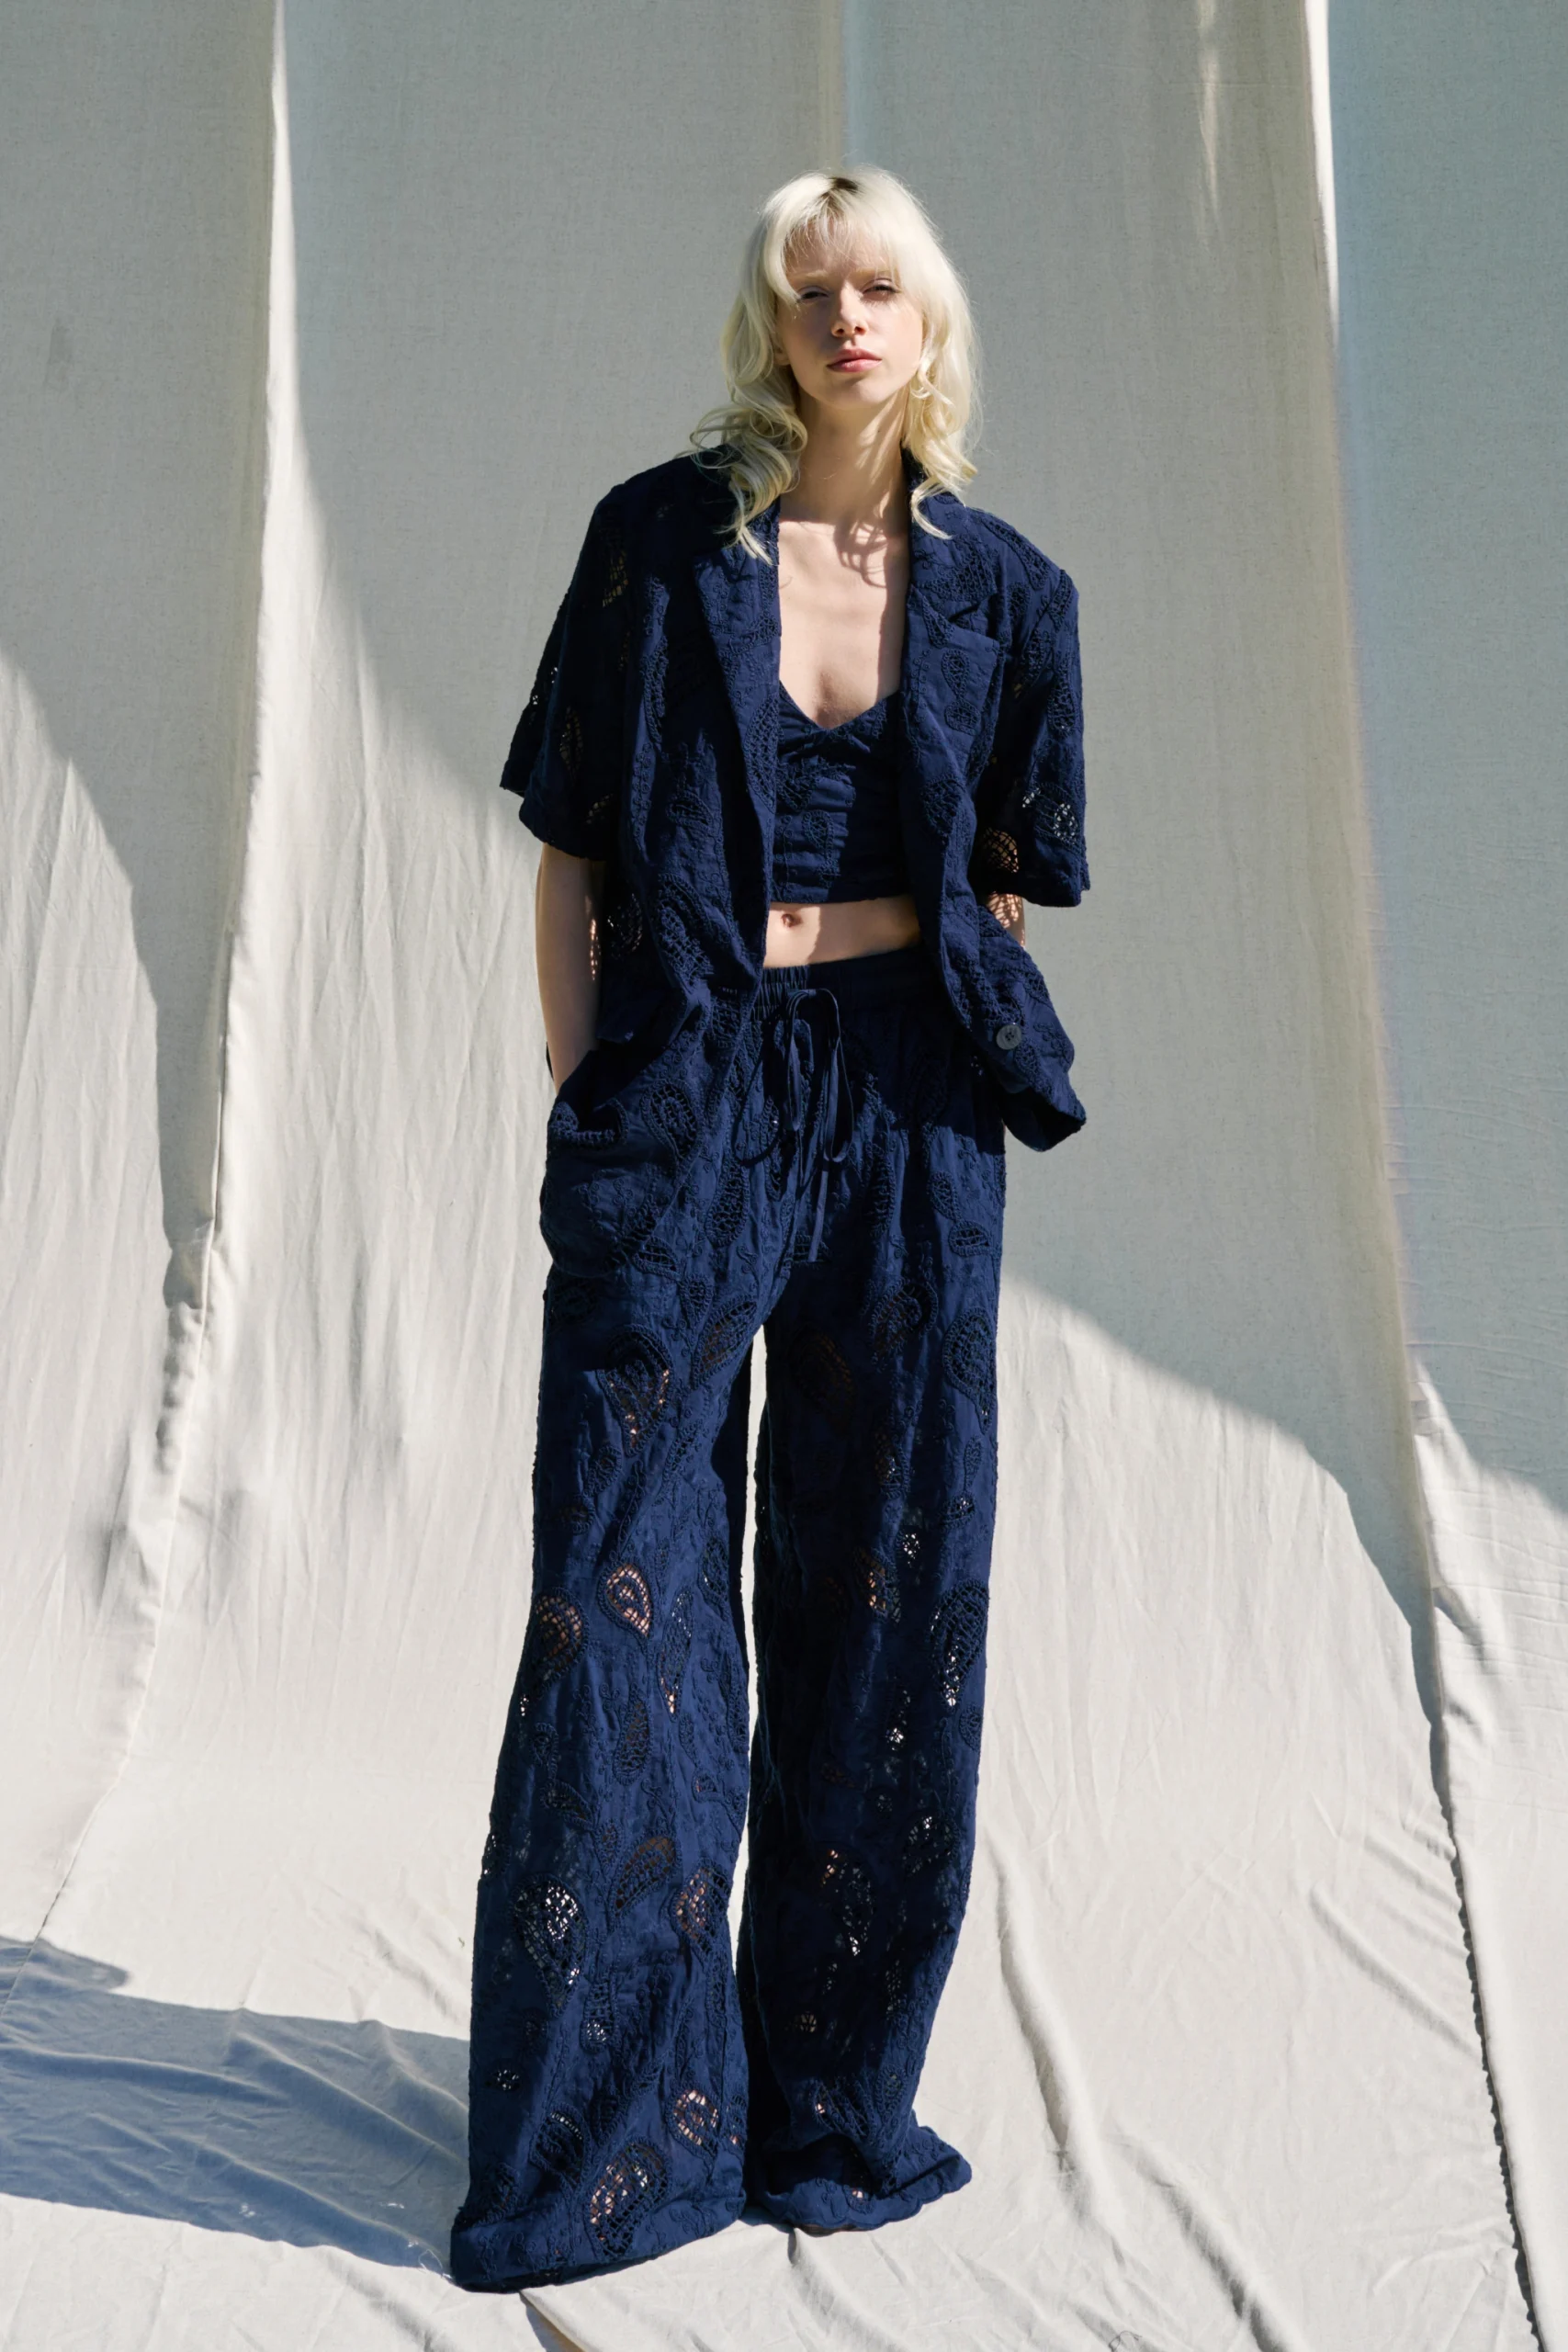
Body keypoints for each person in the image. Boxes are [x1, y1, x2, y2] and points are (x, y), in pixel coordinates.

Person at [452, 166, 1088, 2291]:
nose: (846, 318)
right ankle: (607, 2138)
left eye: (879, 283)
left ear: (930, 314)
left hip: (904, 1106)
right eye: (810, 289)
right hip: (692, 1084)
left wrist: (945, 1054)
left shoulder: (1009, 591)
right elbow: (569, 846)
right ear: (769, 320)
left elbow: (1002, 877)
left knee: (888, 1584)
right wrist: (594, 1090)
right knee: (614, 1596)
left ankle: (822, 2104)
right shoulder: (657, 545)